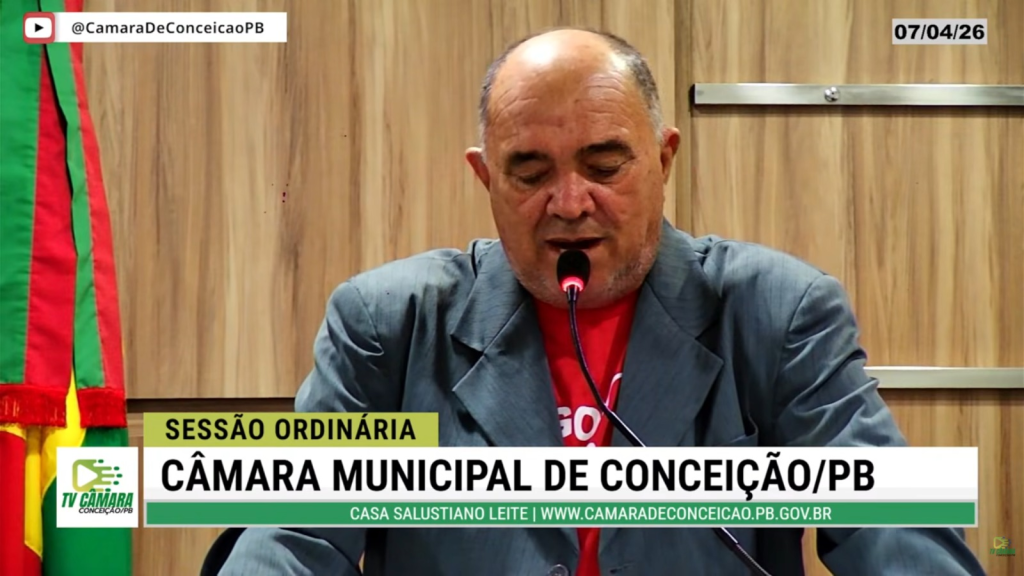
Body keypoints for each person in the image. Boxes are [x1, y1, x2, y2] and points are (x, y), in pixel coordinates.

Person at [209, 27, 985, 575]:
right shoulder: (387, 324)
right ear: (486, 178)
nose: (570, 202)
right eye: (530, 172)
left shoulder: (777, 314)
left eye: (605, 165)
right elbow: (291, 534)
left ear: (663, 159)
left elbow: (895, 527)